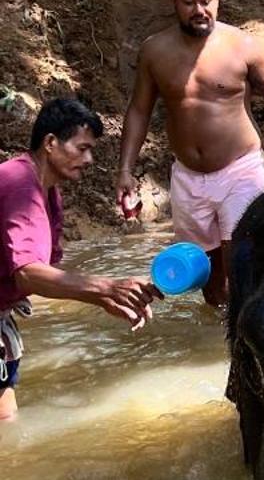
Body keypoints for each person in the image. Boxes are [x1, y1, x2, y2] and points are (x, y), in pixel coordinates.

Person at [116, 0, 264, 308]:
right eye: (189, 2)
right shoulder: (154, 51)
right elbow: (139, 110)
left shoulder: (244, 47)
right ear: (174, 2)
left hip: (240, 170)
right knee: (207, 276)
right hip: (188, 177)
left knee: (242, 260)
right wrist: (126, 170)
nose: (199, 10)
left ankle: (250, 336)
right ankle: (216, 346)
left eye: (206, 1)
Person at [1, 97, 156, 421]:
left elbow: (40, 273)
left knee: (6, 420)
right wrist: (105, 288)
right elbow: (28, 274)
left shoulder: (48, 191)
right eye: (82, 148)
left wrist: (103, 299)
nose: (89, 159)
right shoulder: (19, 183)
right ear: (51, 143)